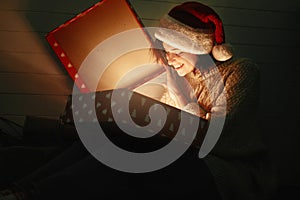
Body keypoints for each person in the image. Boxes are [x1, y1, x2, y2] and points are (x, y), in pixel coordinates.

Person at [0, 1, 277, 200]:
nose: (170, 57)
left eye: (178, 50)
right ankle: (23, 189)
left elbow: (222, 139)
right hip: (184, 160)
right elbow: (171, 133)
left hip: (224, 170)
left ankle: (31, 193)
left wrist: (183, 99)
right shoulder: (178, 77)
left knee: (134, 155)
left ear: (202, 48)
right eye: (167, 50)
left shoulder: (241, 71)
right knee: (115, 141)